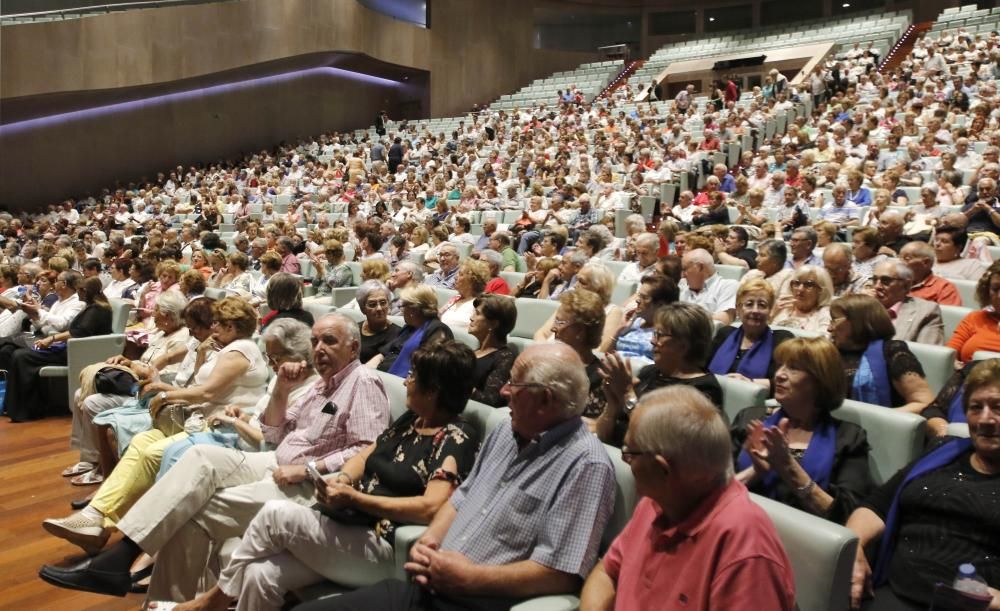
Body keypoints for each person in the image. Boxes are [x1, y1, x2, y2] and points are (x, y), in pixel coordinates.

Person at [39, 314, 391, 601]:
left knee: (194, 514)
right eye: (315, 341)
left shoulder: (363, 383)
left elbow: (366, 448)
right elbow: (273, 434)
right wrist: (281, 392)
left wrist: (308, 468)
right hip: (274, 461)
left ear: (353, 347)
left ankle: (141, 585)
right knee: (200, 456)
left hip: (311, 483)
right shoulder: (319, 385)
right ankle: (121, 555)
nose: (319, 349)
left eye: (329, 341)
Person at [294, 343, 616, 611]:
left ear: (545, 399)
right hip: (428, 588)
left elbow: (562, 572)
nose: (503, 391)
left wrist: (471, 578)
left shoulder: (586, 464)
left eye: (514, 385)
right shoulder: (506, 429)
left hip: (476, 603)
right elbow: (462, 497)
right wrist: (431, 539)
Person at [167, 341, 481, 611]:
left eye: (413, 377)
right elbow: (366, 453)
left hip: (384, 546)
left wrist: (357, 498)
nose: (405, 382)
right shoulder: (413, 418)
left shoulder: (455, 437)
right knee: (259, 575)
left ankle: (212, 601)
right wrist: (344, 478)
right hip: (350, 525)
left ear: (434, 390)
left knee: (276, 515)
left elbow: (431, 507)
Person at [42, 296, 270, 549]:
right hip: (200, 417)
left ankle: (109, 526)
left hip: (222, 425)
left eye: (218, 323)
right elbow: (198, 384)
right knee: (141, 441)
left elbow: (206, 393)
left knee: (153, 452)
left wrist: (165, 394)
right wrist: (198, 358)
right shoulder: (223, 349)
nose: (212, 327)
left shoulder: (239, 351)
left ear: (231, 326)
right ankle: (94, 516)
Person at [579, 386, 796, 611]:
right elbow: (607, 570)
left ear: (663, 469)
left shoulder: (747, 552)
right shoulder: (656, 502)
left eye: (630, 452)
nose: (625, 459)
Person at [846, 358, 1000, 610]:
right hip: (889, 590)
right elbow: (876, 505)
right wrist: (853, 544)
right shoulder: (942, 450)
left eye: (997, 407)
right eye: (976, 407)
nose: (985, 419)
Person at [731, 337, 872, 523]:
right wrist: (756, 472)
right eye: (780, 365)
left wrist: (788, 466)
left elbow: (847, 517)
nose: (779, 374)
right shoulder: (750, 419)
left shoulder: (848, 437)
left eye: (794, 368)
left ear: (821, 380)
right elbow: (713, 492)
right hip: (742, 525)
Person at [66, 289, 190, 485]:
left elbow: (167, 377)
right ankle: (89, 459)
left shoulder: (181, 338)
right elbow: (145, 362)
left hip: (146, 393)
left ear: (166, 315)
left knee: (92, 403)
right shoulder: (160, 332)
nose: (152, 314)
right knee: (79, 393)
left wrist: (135, 368)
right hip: (136, 384)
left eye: (155, 309)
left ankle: (101, 467)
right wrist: (127, 361)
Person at [596, 302, 724, 447]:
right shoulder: (649, 373)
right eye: (654, 333)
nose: (652, 341)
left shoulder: (703, 390)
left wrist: (627, 394)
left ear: (683, 345)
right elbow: (602, 435)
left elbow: (658, 441)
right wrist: (612, 404)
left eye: (659, 335)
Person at [2, 274, 111, 421]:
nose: (76, 293)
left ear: (85, 292)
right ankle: (19, 407)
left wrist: (51, 339)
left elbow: (78, 333)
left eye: (79, 290)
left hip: (76, 352)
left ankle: (28, 409)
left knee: (21, 356)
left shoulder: (97, 310)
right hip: (71, 347)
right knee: (13, 351)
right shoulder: (92, 307)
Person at [828, 295, 935, 412]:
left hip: (875, 428)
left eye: (835, 320)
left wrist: (876, 419)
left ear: (858, 322)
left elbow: (924, 403)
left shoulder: (892, 351)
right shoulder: (829, 352)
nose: (829, 328)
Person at [709, 279, 794, 393]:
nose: (755, 310)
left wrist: (750, 383)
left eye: (762, 305)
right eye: (749, 304)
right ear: (738, 309)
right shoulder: (725, 333)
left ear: (770, 311)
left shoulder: (782, 339)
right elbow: (702, 370)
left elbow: (789, 381)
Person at [369, 285, 454, 377]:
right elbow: (384, 353)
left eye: (403, 307)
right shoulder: (409, 328)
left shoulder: (437, 330)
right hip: (382, 376)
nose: (401, 311)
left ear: (414, 310)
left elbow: (428, 370)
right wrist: (367, 371)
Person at [871, 259, 945, 345]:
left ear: (906, 286)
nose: (877, 286)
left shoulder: (926, 312)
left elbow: (927, 354)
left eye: (886, 281)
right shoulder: (861, 307)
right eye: (874, 280)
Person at [614, 274, 678, 364]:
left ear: (661, 305)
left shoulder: (666, 334)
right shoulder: (632, 323)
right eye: (639, 296)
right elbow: (603, 352)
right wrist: (619, 329)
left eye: (644, 297)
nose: (637, 300)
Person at [466, 294, 517, 407]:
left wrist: (460, 387)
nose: (471, 317)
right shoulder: (472, 352)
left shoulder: (504, 357)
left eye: (478, 313)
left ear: (493, 324)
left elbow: (492, 399)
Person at [947, 261, 1000, 362]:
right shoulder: (975, 318)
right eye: (995, 289)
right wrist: (953, 363)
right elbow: (949, 354)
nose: (999, 296)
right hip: (968, 375)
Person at [679, 249, 739, 325]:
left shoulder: (727, 286)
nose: (682, 275)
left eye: (685, 269)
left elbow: (724, 319)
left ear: (699, 267)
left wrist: (682, 318)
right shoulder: (682, 284)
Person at [770, 265, 835, 334]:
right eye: (796, 283)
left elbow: (824, 340)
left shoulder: (825, 313)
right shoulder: (782, 307)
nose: (800, 289)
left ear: (821, 290)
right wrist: (771, 315)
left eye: (808, 285)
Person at [900, 241, 961, 306]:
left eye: (907, 259)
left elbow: (948, 314)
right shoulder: (895, 281)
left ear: (926, 262)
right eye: (900, 258)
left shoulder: (944, 288)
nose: (900, 262)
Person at [355, 280, 401, 364]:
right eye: (372, 304)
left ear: (389, 305)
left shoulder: (398, 334)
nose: (379, 308)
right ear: (362, 309)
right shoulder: (355, 329)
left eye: (383, 303)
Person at [438, 259, 489, 332]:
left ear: (472, 281)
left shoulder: (479, 303)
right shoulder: (456, 298)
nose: (455, 277)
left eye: (461, 274)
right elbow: (438, 315)